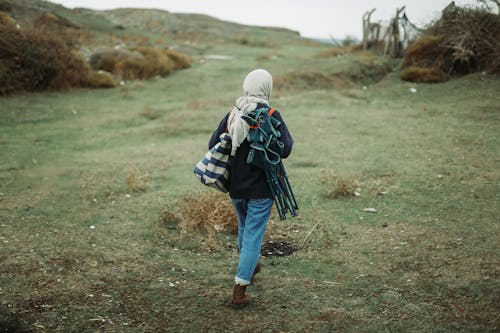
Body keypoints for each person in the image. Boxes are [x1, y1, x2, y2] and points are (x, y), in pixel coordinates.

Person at [208, 69, 294, 308]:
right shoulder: (271, 114)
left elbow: (212, 144)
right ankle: (239, 289)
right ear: (267, 88)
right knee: (253, 236)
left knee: (245, 229)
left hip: (236, 188)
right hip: (262, 190)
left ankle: (251, 264)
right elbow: (286, 149)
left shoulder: (232, 115)